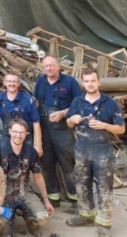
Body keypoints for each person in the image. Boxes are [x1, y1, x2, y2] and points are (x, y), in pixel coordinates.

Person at [65, 68, 125, 237]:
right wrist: (72, 119)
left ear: (99, 82)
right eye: (86, 81)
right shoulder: (77, 101)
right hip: (81, 150)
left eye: (93, 81)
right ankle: (85, 215)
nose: (90, 84)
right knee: (81, 184)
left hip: (102, 152)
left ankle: (104, 223)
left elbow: (121, 129)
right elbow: (69, 124)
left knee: (104, 187)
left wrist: (105, 126)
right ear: (83, 83)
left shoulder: (110, 103)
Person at [0, 119, 54, 237]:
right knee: (3, 230)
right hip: (3, 193)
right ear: (9, 131)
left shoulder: (31, 152)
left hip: (23, 191)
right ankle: (12, 214)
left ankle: (28, 217)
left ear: (26, 134)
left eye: (22, 132)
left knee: (42, 218)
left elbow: (39, 177)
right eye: (15, 131)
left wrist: (46, 201)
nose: (18, 135)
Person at [33, 56, 81, 207]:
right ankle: (54, 197)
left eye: (51, 65)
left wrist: (63, 113)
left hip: (63, 131)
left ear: (58, 66)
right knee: (47, 164)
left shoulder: (70, 82)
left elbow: (79, 104)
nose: (49, 68)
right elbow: (37, 101)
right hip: (44, 130)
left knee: (68, 164)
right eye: (46, 66)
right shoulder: (41, 81)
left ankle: (75, 199)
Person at [0, 73, 43, 156]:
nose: (12, 84)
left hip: (25, 138)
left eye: (14, 81)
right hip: (7, 136)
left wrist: (38, 145)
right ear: (4, 83)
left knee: (25, 162)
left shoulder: (28, 99)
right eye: (9, 81)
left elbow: (36, 122)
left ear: (19, 84)